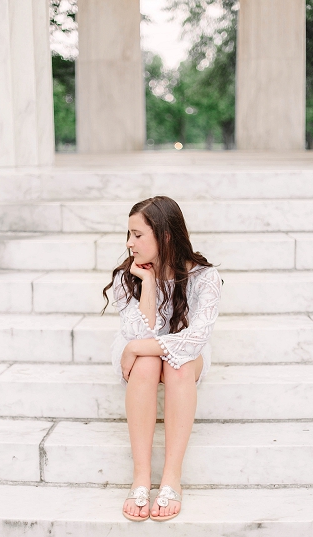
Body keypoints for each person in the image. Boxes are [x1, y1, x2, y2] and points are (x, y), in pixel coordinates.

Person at [101, 196, 222, 522]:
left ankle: (171, 477)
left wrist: (140, 347)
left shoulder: (203, 277)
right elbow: (136, 334)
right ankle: (141, 476)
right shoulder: (129, 277)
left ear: (165, 236)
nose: (129, 244)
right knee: (149, 364)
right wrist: (150, 283)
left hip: (184, 352)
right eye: (128, 234)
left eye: (137, 235)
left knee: (178, 367)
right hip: (137, 353)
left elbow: (196, 338)